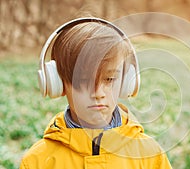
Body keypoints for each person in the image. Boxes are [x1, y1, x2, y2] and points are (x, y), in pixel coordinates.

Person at [20, 17, 172, 169]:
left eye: (109, 79)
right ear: (57, 84)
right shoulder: (37, 161)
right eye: (84, 81)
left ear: (127, 82)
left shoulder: (150, 156)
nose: (98, 93)